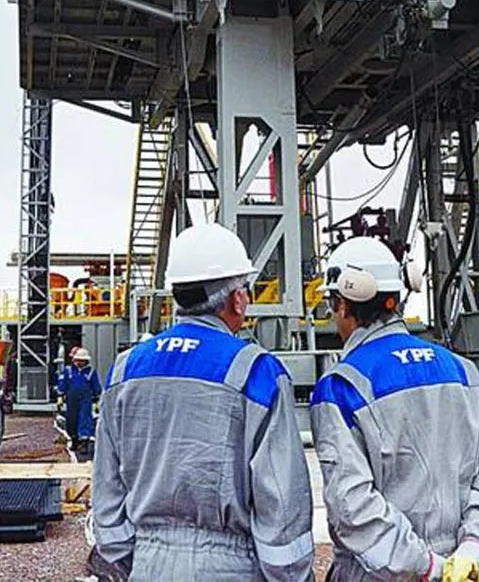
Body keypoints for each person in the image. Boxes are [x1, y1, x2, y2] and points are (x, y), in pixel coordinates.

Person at [91, 223, 314, 581]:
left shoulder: (126, 368)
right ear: (237, 298)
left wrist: (133, 559)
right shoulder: (255, 371)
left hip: (147, 566)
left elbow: (107, 488)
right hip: (231, 568)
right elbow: (281, 504)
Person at [310, 237, 479, 582]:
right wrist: (473, 550)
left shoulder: (342, 386)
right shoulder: (462, 371)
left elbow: (353, 506)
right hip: (460, 570)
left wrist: (426, 568)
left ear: (343, 304)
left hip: (378, 573)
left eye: (332, 305)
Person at [57, 346, 102, 459]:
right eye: (77, 360)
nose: (79, 362)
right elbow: (63, 383)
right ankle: (74, 439)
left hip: (85, 400)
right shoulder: (68, 371)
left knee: (84, 419)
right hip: (71, 400)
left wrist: (97, 401)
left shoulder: (91, 372)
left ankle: (84, 443)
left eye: (81, 360)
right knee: (71, 420)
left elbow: (96, 387)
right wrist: (60, 396)